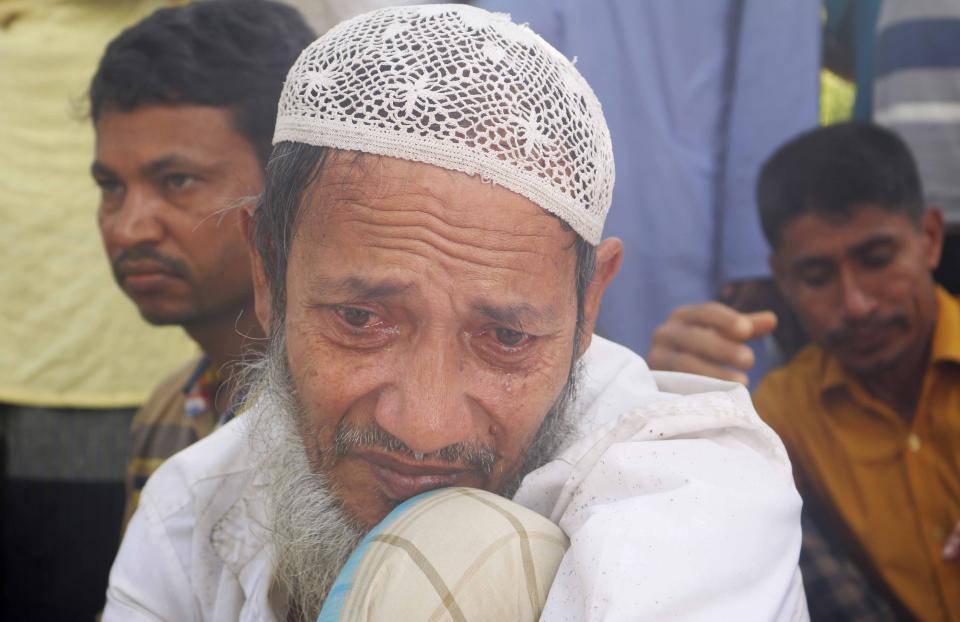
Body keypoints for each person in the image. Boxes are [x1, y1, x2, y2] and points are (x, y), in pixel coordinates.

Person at [104, 6, 807, 621]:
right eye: (359, 319)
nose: (425, 427)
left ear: (588, 308)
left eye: (505, 337)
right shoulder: (191, 510)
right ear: (269, 271)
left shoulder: (698, 510)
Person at [649, 122, 960, 620]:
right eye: (817, 276)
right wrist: (664, 401)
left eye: (877, 260)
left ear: (929, 239)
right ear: (783, 280)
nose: (855, 303)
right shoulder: (780, 415)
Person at [476, 0, 821, 383]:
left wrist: (757, 247)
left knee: (690, 389)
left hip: (679, 217)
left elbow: (775, 58)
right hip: (522, 196)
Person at [88, 0, 316, 524]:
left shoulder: (345, 431)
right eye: (111, 187)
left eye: (177, 181)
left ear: (286, 189)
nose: (128, 228)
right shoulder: (170, 411)